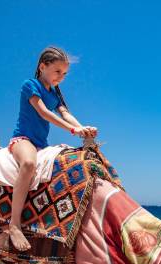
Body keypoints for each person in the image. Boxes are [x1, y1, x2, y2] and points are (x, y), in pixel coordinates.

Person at [9, 46, 97, 251]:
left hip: (42, 144)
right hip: (23, 140)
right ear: (42, 67)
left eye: (65, 73)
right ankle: (14, 224)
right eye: (58, 71)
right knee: (29, 164)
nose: (61, 77)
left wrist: (83, 128)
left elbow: (66, 114)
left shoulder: (55, 92)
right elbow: (43, 113)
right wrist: (73, 130)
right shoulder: (30, 85)